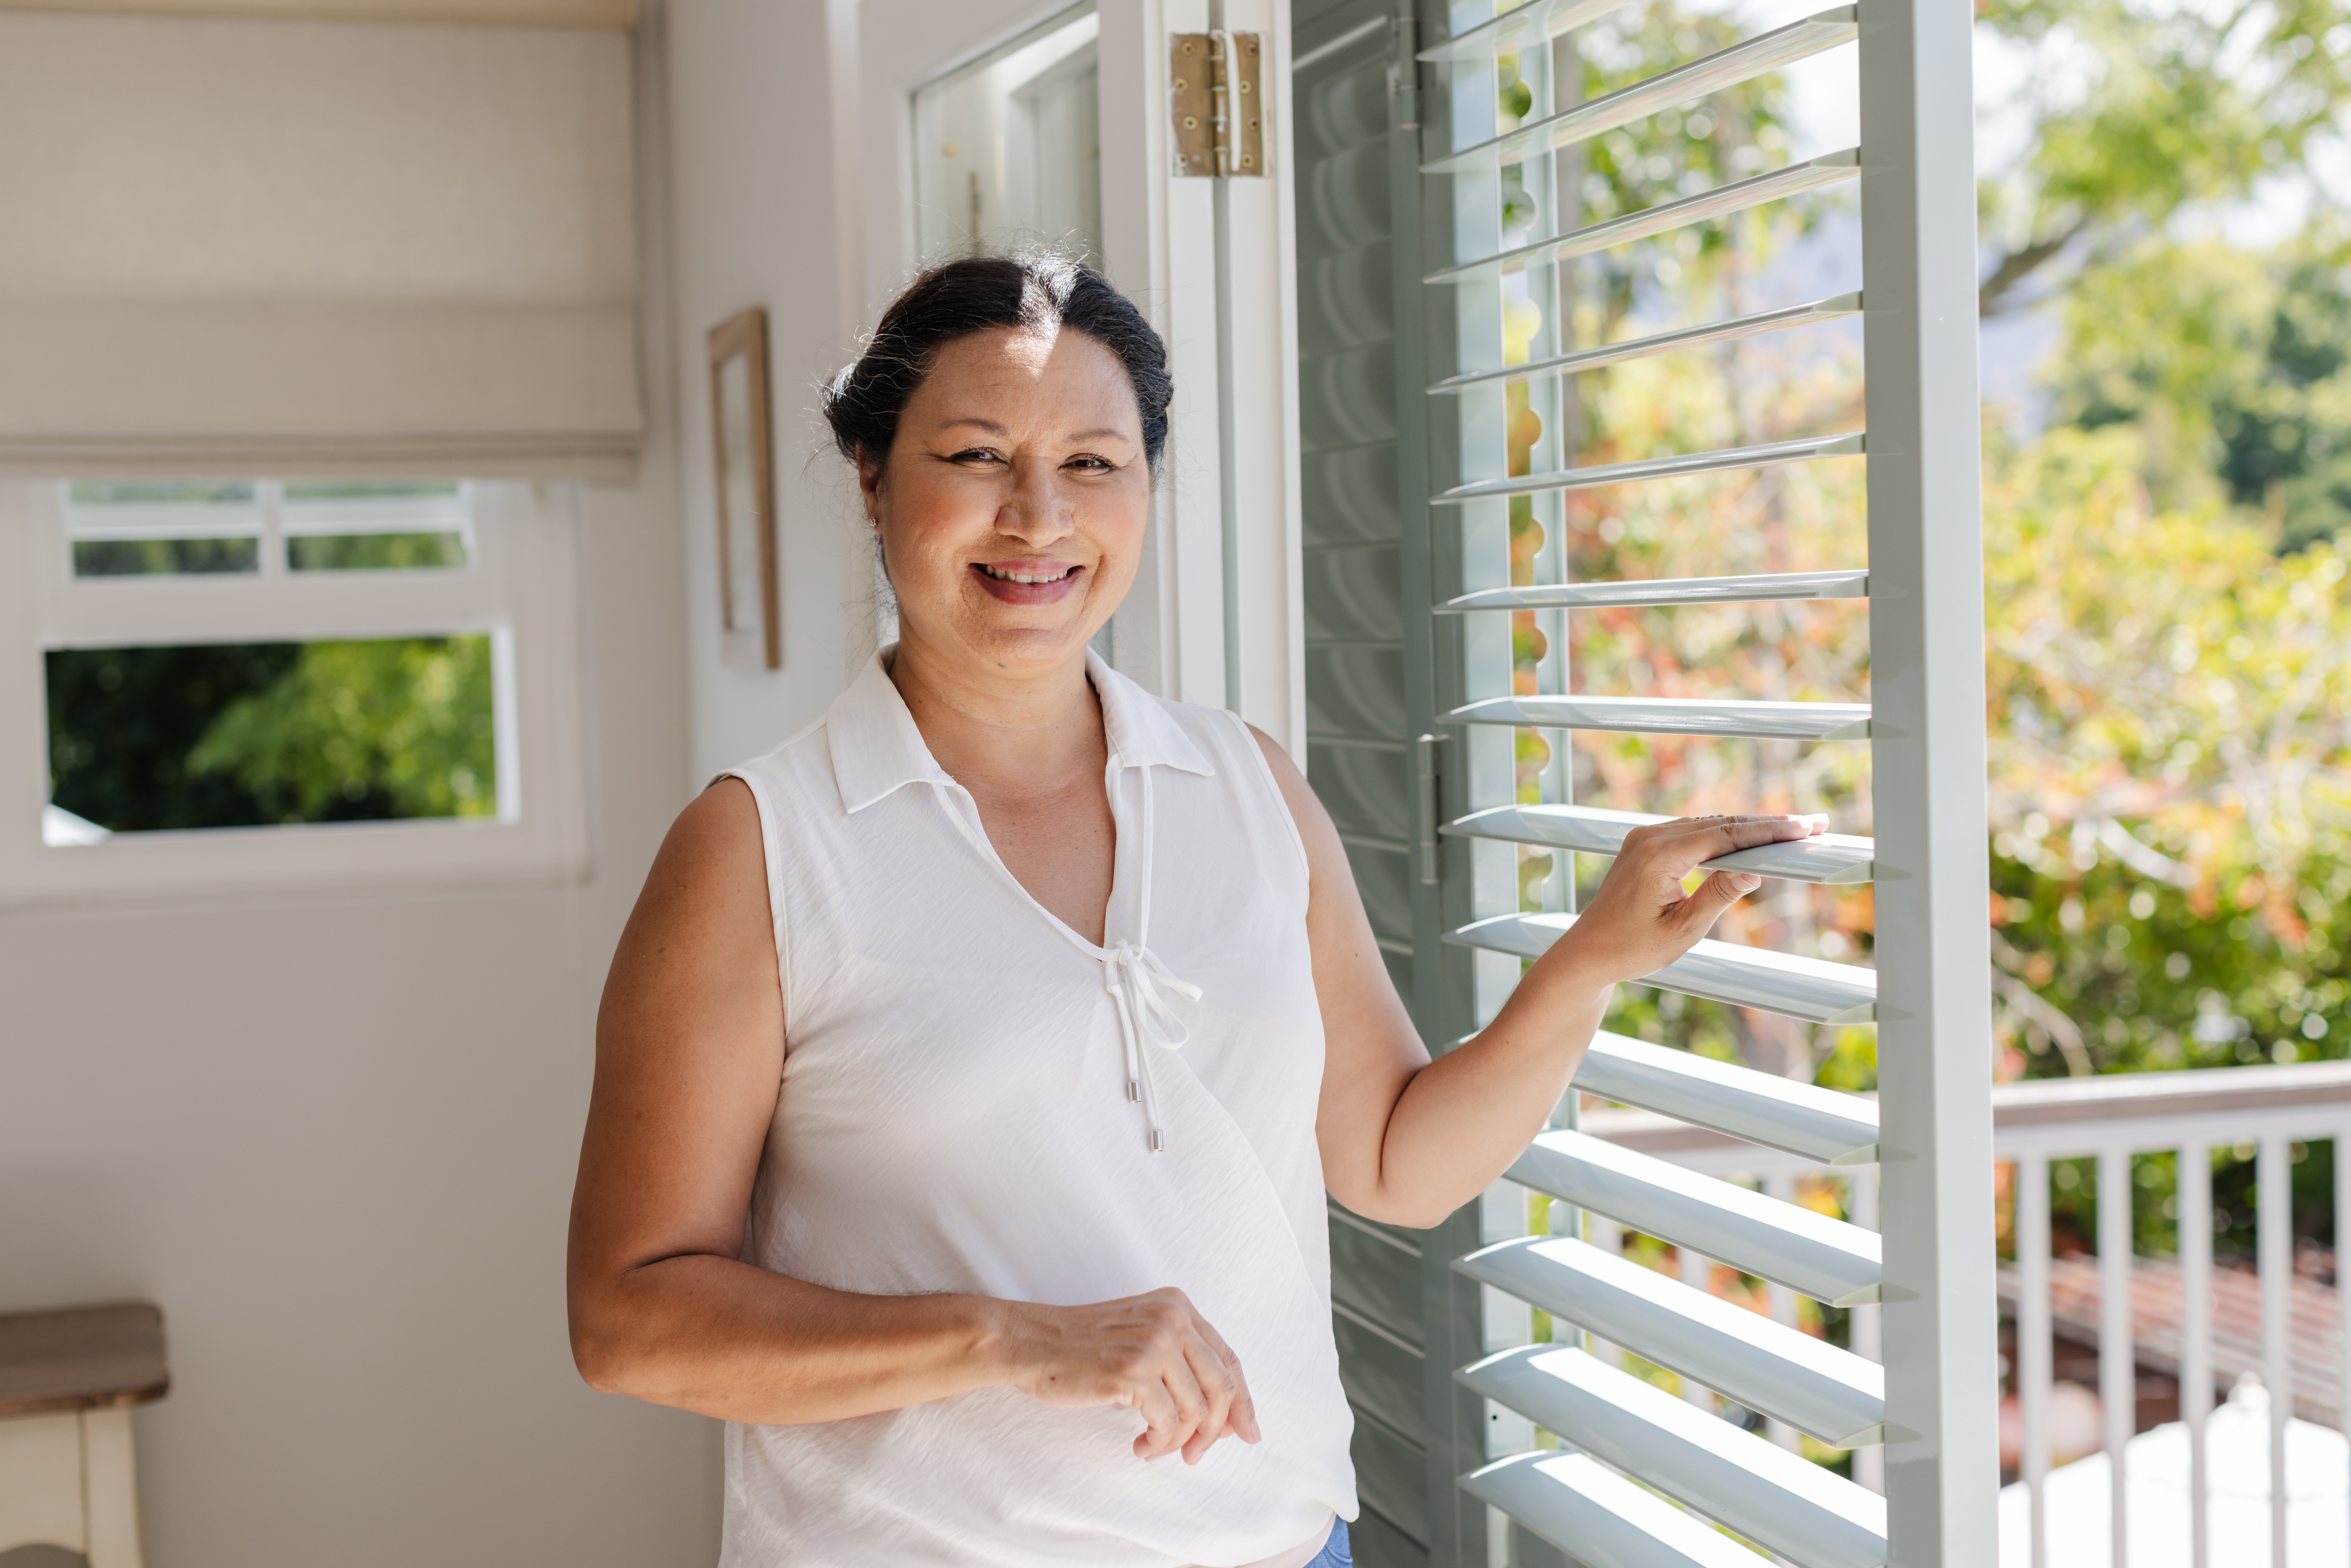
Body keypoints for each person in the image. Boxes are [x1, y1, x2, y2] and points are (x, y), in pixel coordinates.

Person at [565, 253, 1819, 1568]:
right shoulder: (758, 845)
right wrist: (1010, 1336)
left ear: (1145, 488)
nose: (1038, 516)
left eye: (1095, 463)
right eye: (977, 456)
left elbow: (1395, 1161)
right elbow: (629, 1319)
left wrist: (1583, 965)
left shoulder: (1244, 783)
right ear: (874, 479)